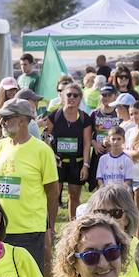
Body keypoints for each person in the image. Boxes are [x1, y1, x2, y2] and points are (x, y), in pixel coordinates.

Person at [0, 98, 59, 277]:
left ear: (22, 120)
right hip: (0, 227)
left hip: (29, 229)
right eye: (1, 118)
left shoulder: (42, 151)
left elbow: (52, 192)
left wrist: (50, 226)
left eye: (7, 118)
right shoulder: (0, 146)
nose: (1, 122)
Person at [46, 82, 94, 220]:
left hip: (76, 163)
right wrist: (51, 155)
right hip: (57, 162)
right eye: (69, 94)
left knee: (74, 196)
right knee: (54, 195)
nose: (72, 98)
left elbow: (87, 143)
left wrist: (86, 165)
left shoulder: (85, 118)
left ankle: (73, 227)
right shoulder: (54, 116)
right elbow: (45, 139)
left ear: (80, 99)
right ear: (62, 96)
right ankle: (51, 228)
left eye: (75, 95)